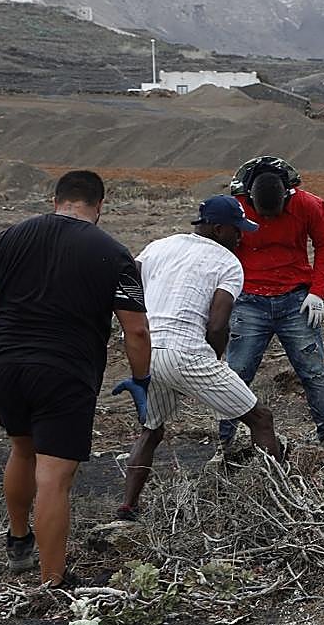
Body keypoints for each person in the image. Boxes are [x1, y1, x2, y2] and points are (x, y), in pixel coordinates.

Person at [0, 171, 151, 586]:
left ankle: (19, 541)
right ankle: (52, 582)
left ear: (55, 200)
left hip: (6, 366)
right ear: (100, 206)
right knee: (54, 475)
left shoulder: (9, 237)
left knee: (22, 449)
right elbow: (137, 330)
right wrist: (140, 379)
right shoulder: (113, 252)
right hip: (64, 372)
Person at [117, 195, 284, 521]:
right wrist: (209, 362)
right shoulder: (227, 263)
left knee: (151, 430)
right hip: (186, 352)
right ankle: (279, 503)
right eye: (238, 230)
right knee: (261, 419)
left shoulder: (159, 246)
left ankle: (127, 507)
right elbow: (218, 323)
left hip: (146, 351)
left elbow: (129, 281)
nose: (241, 237)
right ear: (220, 229)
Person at [216, 156, 324, 451]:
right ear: (249, 199)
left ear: (288, 195)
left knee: (313, 371)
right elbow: (217, 252)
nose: (269, 220)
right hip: (249, 300)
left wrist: (317, 293)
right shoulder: (235, 208)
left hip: (296, 300)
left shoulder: (310, 206)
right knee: (236, 374)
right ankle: (225, 443)